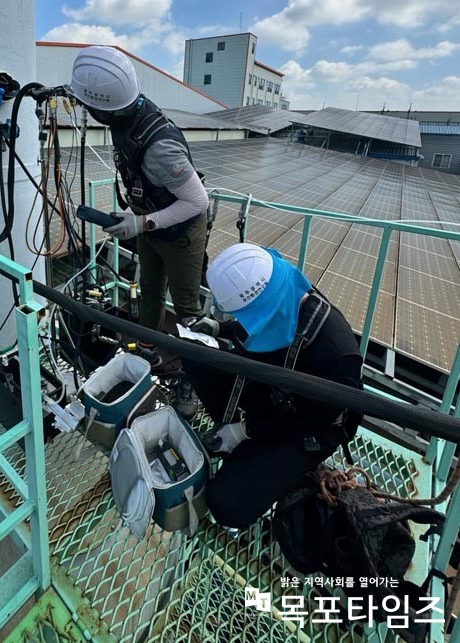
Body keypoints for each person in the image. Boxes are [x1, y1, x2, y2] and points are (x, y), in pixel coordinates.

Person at [184, 242, 363, 532]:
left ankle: (261, 462)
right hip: (271, 391)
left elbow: (314, 421)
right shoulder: (281, 298)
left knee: (226, 503)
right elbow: (248, 326)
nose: (240, 323)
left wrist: (246, 430)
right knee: (196, 355)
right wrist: (219, 329)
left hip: (306, 427)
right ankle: (235, 441)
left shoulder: (337, 357)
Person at [69, 45, 209, 416]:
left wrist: (143, 222)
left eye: (91, 109)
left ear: (106, 108)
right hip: (151, 223)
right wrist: (136, 214)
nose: (89, 113)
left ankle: (190, 382)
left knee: (188, 313)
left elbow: (198, 202)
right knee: (149, 292)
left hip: (180, 234)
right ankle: (146, 353)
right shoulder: (129, 119)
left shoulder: (159, 146)